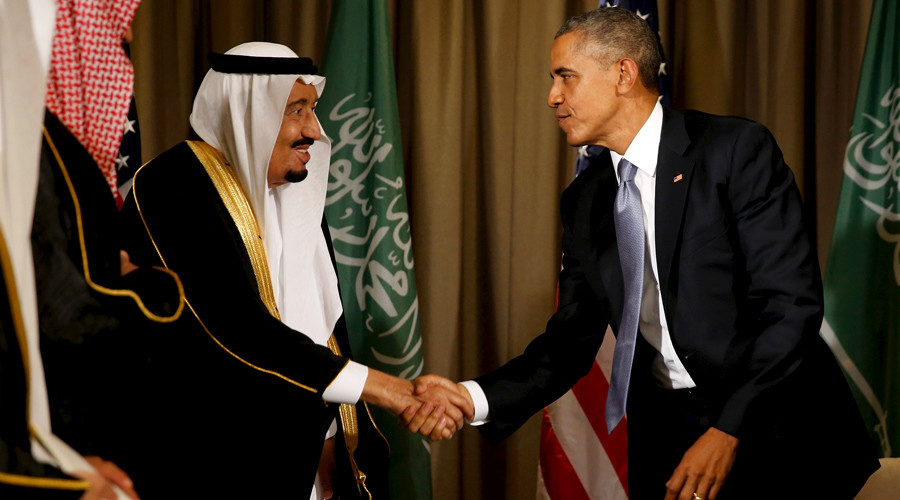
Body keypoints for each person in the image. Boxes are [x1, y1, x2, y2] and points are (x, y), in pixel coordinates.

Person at [410, 8, 880, 500]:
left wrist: (728, 431)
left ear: (623, 74)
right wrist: (472, 397)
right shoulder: (586, 199)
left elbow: (790, 308)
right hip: (667, 435)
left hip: (778, 429)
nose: (552, 96)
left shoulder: (734, 151)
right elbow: (569, 340)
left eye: (565, 78)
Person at [118, 42, 466, 499]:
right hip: (209, 464)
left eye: (313, 110)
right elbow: (236, 329)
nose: (315, 131)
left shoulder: (292, 194)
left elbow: (320, 330)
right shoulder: (173, 186)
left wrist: (333, 450)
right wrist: (386, 390)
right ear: (248, 112)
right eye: (295, 110)